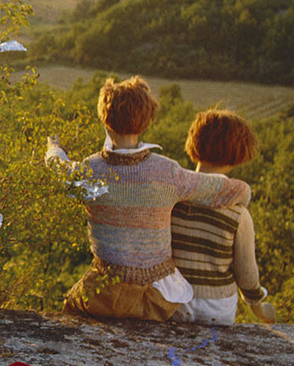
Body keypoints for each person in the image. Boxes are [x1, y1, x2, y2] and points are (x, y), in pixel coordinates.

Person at [46, 76, 250, 321]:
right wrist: (244, 192)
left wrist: (53, 149)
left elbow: (60, 168)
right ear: (147, 121)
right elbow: (218, 188)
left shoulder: (91, 169)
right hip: (157, 295)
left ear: (104, 120)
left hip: (105, 290)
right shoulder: (167, 172)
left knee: (68, 312)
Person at [171, 110, 276, 326]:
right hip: (217, 308)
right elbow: (247, 275)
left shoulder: (171, 199)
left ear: (194, 144)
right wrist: (259, 308)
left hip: (173, 303)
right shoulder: (238, 214)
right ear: (239, 154)